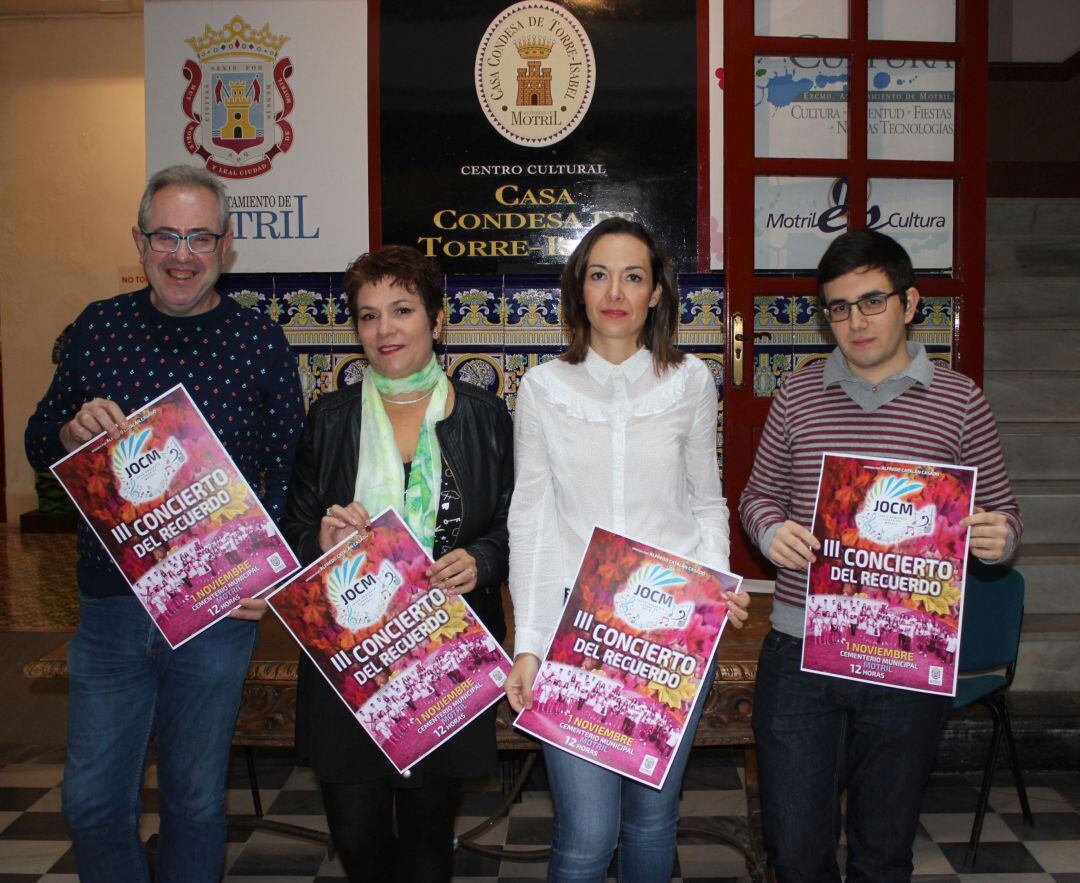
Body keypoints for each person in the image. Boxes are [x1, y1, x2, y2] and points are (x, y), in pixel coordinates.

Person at [24, 164, 304, 883]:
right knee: (90, 802)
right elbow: (38, 433)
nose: (183, 253)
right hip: (111, 609)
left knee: (193, 799)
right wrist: (66, 431)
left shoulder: (258, 340)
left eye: (200, 237)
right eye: (167, 235)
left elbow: (291, 468)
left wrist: (266, 569)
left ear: (227, 244)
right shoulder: (97, 327)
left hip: (215, 610)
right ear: (141, 239)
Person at [739, 229, 1022, 883]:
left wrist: (997, 537)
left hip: (905, 656)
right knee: (794, 849)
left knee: (883, 851)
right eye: (838, 307)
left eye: (871, 301)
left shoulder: (960, 401)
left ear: (911, 301)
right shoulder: (797, 394)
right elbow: (757, 496)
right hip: (800, 648)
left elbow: (1006, 515)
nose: (855, 321)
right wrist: (770, 528)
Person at [503, 217, 750, 882]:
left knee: (650, 821)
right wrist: (527, 642)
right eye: (599, 273)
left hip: (670, 632)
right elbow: (528, 516)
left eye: (633, 275)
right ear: (578, 289)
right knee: (586, 833)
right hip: (574, 630)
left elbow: (706, 501)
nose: (616, 290)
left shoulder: (690, 380)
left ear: (657, 294)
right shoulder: (542, 388)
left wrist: (718, 583)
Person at [280, 245, 513, 882]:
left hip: (443, 651)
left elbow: (516, 525)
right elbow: (293, 529)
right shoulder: (329, 419)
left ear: (436, 320)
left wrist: (483, 559)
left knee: (428, 847)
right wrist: (319, 537)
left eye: (402, 310)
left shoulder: (485, 415)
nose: (385, 330)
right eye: (368, 315)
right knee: (357, 842)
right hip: (349, 656)